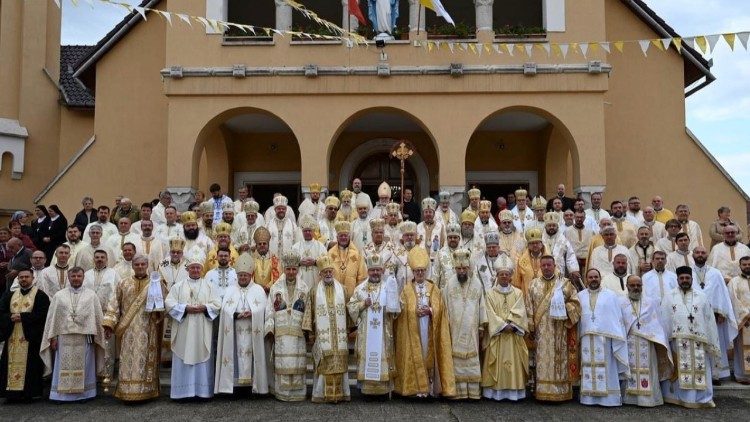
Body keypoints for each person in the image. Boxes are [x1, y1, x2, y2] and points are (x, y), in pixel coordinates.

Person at [103, 254, 167, 401]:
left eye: (143, 265)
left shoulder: (156, 283)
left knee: (145, 359)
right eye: (137, 265)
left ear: (147, 266)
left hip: (148, 328)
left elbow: (165, 303)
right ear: (132, 266)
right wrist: (109, 324)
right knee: (127, 359)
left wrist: (159, 313)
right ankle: (126, 391)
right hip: (128, 329)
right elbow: (114, 304)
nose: (140, 267)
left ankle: (147, 391)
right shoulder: (123, 283)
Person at [393, 247, 455, 398]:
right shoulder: (407, 290)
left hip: (429, 327)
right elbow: (400, 312)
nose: (419, 273)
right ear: (413, 272)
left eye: (422, 270)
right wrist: (413, 312)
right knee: (416, 354)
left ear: (426, 271)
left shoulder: (434, 288)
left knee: (428, 354)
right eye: (417, 271)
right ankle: (415, 389)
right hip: (413, 329)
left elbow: (441, 309)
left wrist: (431, 311)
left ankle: (430, 388)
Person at [41, 267, 106, 402]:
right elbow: (52, 319)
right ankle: (60, 395)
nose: (76, 278)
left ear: (83, 278)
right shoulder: (59, 296)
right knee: (61, 365)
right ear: (68, 278)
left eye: (79, 276)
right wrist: (52, 337)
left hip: (85, 336)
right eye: (73, 276)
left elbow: (97, 317)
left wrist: (98, 335)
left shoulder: (91, 295)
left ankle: (85, 394)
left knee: (86, 365)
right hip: (63, 337)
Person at [660, 266, 721, 408]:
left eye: (687, 278)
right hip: (677, 340)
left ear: (692, 279)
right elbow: (664, 318)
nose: (685, 280)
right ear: (677, 280)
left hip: (699, 341)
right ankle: (677, 398)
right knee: (680, 368)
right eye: (682, 278)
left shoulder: (702, 296)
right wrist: (666, 340)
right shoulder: (669, 296)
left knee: (699, 368)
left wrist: (711, 340)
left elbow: (709, 319)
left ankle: (700, 398)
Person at [166, 250, 221, 400]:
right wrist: (185, 308)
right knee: (183, 355)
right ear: (188, 269)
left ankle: (202, 392)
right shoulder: (178, 286)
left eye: (198, 268)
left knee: (202, 356)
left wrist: (205, 308)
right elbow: (169, 303)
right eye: (192, 267)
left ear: (202, 269)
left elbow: (217, 304)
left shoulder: (209, 286)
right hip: (184, 328)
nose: (195, 270)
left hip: (202, 329)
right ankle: (182, 393)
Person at [526, 255, 581, 402]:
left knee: (559, 360)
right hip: (541, 332)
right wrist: (531, 326)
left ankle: (560, 392)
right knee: (542, 360)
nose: (546, 268)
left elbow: (576, 303)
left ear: (554, 265)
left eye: (549, 265)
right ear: (540, 266)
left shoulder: (565, 284)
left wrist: (565, 307)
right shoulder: (533, 284)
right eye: (543, 265)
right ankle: (541, 392)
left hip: (560, 331)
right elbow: (529, 306)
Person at [214, 252, 268, 395]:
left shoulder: (258, 290)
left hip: (252, 328)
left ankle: (254, 386)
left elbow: (264, 308)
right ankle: (235, 386)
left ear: (251, 275)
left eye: (245, 275)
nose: (243, 277)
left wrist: (253, 313)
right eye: (240, 275)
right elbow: (225, 309)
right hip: (234, 329)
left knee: (253, 354)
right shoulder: (230, 290)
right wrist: (236, 314)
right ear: (237, 276)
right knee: (234, 355)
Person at [303, 255, 354, 403]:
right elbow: (309, 315)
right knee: (324, 365)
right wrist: (311, 335)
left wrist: (349, 330)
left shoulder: (343, 290)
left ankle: (342, 394)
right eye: (325, 272)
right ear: (320, 274)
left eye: (330, 271)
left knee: (340, 364)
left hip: (340, 338)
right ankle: (321, 394)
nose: (328, 274)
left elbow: (348, 314)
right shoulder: (313, 292)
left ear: (333, 272)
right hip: (323, 338)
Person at [348, 254, 400, 396]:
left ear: (382, 270)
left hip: (383, 332)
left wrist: (393, 306)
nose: (375, 273)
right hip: (366, 333)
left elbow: (396, 310)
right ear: (368, 271)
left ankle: (383, 392)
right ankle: (366, 391)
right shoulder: (360, 289)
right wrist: (363, 304)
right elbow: (351, 307)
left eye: (378, 270)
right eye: (372, 270)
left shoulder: (388, 287)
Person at [577, 268, 629, 406]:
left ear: (600, 279)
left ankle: (609, 399)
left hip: (605, 338)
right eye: (590, 277)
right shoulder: (580, 296)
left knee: (608, 367)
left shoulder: (610, 295)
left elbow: (616, 317)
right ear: (586, 279)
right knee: (587, 365)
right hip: (587, 337)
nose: (593, 279)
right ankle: (588, 397)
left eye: (596, 277)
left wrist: (616, 335)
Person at [480, 254, 529, 401]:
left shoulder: (518, 293)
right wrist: (502, 326)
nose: (504, 277)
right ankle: (494, 392)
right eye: (501, 274)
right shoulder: (489, 294)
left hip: (513, 335)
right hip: (498, 335)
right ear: (497, 275)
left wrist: (512, 325)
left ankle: (514, 392)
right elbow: (489, 312)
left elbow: (520, 310)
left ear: (511, 276)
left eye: (506, 274)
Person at [620, 275, 674, 407]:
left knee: (648, 369)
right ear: (627, 286)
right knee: (630, 369)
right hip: (629, 340)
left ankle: (649, 399)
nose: (636, 288)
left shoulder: (651, 302)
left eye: (638, 285)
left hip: (648, 341)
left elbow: (657, 323)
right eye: (632, 285)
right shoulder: (620, 302)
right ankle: (629, 399)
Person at [264, 251, 309, 401]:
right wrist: (270, 328)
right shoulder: (275, 287)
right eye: (288, 269)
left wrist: (308, 328)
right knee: (283, 361)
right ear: (284, 269)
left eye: (294, 269)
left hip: (298, 331)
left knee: (297, 361)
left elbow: (308, 311)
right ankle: (283, 393)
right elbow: (270, 310)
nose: (291, 272)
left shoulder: (304, 288)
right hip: (282, 332)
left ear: (297, 270)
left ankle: (298, 393)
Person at [442, 249, 487, 399]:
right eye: (459, 268)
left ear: (469, 268)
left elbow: (482, 306)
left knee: (472, 358)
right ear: (455, 268)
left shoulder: (477, 284)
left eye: (464, 268)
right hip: (454, 330)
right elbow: (445, 307)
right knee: (456, 360)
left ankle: (473, 392)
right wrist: (446, 326)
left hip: (472, 331)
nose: (461, 271)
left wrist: (481, 326)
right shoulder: (449, 284)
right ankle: (458, 392)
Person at [0, 268, 50, 402]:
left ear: (32, 278)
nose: (23, 279)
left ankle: (30, 393)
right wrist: (10, 317)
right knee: (8, 364)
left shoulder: (40, 296)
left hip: (31, 338)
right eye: (21, 277)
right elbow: (1, 312)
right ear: (17, 279)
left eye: (26, 277)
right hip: (12, 337)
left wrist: (22, 317)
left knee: (31, 366)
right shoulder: (9, 295)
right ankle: (11, 395)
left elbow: (43, 315)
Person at [692, 246, 738, 383]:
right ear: (693, 254)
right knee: (699, 345)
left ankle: (716, 374)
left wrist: (722, 312)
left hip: (714, 316)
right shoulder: (688, 272)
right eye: (697, 252)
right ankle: (701, 373)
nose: (700, 254)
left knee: (715, 343)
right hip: (694, 316)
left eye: (703, 252)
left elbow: (722, 294)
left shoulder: (716, 273)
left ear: (707, 255)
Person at [82, 250, 119, 380]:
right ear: (93, 259)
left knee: (107, 344)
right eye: (97, 257)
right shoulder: (86, 274)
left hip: (106, 313)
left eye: (102, 257)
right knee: (91, 343)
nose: (99, 259)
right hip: (90, 314)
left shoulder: (113, 273)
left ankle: (106, 374)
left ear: (107, 259)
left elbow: (117, 294)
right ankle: (91, 375)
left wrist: (113, 313)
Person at [328, 220, 367, 299]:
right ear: (337, 237)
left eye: (345, 235)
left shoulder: (356, 254)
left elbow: (362, 277)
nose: (343, 238)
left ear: (349, 236)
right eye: (341, 235)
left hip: (352, 296)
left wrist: (358, 295)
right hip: (334, 295)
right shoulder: (330, 254)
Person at [727, 256, 750, 385]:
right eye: (744, 264)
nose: (747, 266)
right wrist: (746, 315)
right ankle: (742, 375)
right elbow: (733, 300)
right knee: (741, 349)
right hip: (744, 321)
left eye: (749, 264)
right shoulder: (734, 282)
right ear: (740, 266)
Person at [291, 215, 328, 289]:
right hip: (300, 280)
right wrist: (299, 263)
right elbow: (290, 264)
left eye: (309, 230)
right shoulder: (295, 247)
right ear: (302, 232)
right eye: (305, 231)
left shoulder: (320, 246)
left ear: (313, 231)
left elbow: (326, 263)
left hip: (315, 279)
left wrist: (315, 262)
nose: (307, 232)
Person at [514, 228, 548, 296]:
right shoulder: (521, 262)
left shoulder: (549, 260)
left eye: (537, 243)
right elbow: (517, 283)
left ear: (541, 244)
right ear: (528, 246)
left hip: (545, 297)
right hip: (527, 297)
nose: (535, 245)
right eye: (532, 243)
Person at [417, 197, 445, 264]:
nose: (428, 214)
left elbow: (444, 244)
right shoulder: (418, 226)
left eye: (430, 212)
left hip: (436, 261)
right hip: (421, 261)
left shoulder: (440, 226)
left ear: (434, 213)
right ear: (423, 213)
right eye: (426, 212)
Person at [251, 227, 280, 291]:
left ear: (268, 245)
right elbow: (249, 278)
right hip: (255, 292)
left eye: (264, 243)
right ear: (256, 246)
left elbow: (277, 278)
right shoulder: (251, 260)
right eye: (259, 244)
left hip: (270, 292)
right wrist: (257, 288)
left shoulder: (274, 260)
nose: (262, 245)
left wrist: (268, 287)